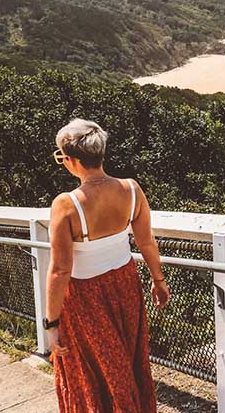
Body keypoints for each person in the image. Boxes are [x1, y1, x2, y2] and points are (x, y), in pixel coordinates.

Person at [45, 118, 170, 413]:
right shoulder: (131, 189)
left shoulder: (66, 204)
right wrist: (159, 279)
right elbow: (146, 241)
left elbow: (61, 269)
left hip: (85, 295)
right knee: (127, 360)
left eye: (61, 157)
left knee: (93, 370)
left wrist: (52, 324)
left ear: (72, 159)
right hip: (126, 283)